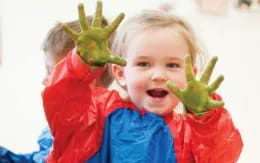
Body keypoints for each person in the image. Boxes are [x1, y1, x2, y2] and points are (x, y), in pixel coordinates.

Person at [42, 1, 243, 163]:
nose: (158, 75)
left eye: (172, 66)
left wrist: (207, 118)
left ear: (191, 75)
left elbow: (221, 155)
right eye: (144, 64)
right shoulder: (99, 113)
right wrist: (80, 64)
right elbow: (64, 106)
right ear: (120, 74)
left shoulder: (191, 134)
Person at [0, 16, 111, 163]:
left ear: (88, 75)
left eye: (52, 71)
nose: (44, 79)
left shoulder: (92, 128)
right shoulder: (64, 123)